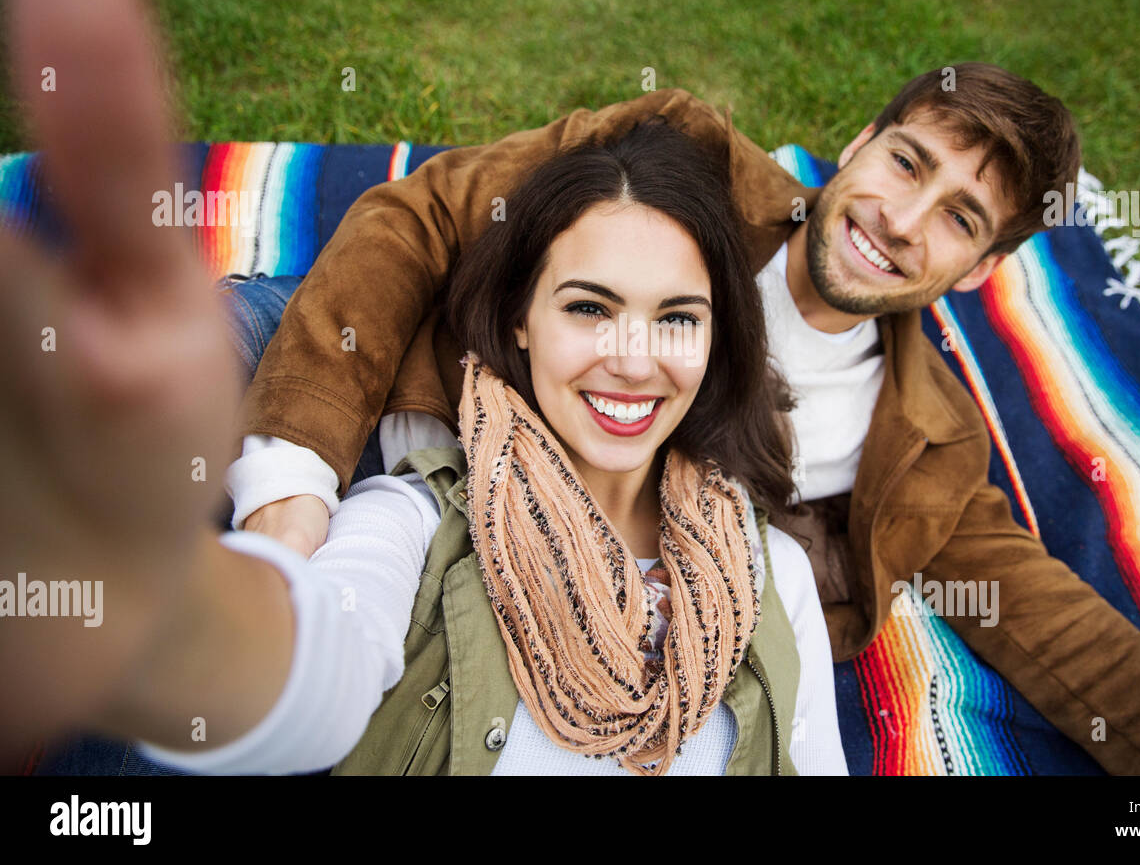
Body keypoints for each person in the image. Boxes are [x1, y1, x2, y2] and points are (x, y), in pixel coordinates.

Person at [229, 76, 1140, 774]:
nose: (899, 221)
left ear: (985, 268)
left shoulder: (921, 444)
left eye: (959, 217)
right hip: (368, 364)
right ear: (858, 144)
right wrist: (290, 480)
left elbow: (1063, 632)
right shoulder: (682, 149)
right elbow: (422, 213)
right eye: (907, 163)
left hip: (467, 550)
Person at [130, 119, 846, 775]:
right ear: (520, 320)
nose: (633, 360)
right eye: (589, 308)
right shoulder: (415, 524)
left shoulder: (773, 574)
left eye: (677, 318)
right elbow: (314, 677)